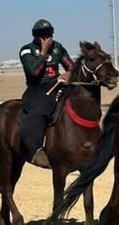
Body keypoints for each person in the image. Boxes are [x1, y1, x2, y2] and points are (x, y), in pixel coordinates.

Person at [18, 18, 73, 168]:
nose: (46, 37)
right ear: (35, 36)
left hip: (58, 84)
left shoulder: (58, 48)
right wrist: (43, 52)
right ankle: (36, 150)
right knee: (40, 110)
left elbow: (71, 66)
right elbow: (34, 72)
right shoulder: (26, 50)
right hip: (38, 88)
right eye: (42, 34)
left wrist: (68, 74)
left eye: (48, 33)